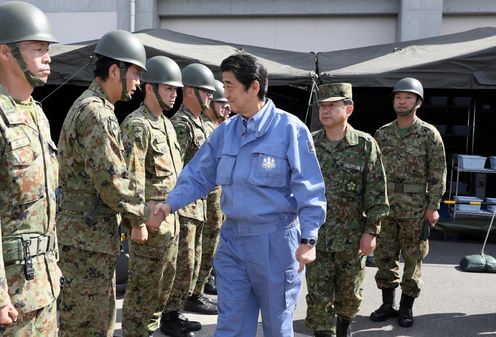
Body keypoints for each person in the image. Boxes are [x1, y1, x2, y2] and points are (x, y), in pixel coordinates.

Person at [153, 53, 326, 337]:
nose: (225, 92)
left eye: (230, 85)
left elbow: (310, 187)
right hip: (233, 243)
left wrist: (309, 238)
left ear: (254, 87)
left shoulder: (290, 130)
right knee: (231, 325)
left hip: (276, 243)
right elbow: (199, 174)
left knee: (276, 326)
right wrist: (169, 204)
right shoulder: (226, 132)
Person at [57, 30, 159, 337]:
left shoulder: (95, 107)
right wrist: (139, 216)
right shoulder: (97, 113)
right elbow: (112, 180)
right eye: (135, 73)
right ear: (115, 71)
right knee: (89, 326)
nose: (138, 83)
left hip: (89, 238)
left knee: (94, 321)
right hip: (85, 241)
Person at [305, 83, 389, 337]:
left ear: (349, 109)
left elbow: (376, 192)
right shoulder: (309, 143)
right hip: (315, 237)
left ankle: (344, 329)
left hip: (351, 238)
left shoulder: (365, 145)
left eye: (332, 105)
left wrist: (371, 232)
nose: (325, 111)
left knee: (349, 295)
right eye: (322, 106)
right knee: (318, 295)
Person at [0, 2, 61, 336]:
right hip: (10, 295)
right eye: (37, 48)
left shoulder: (37, 114)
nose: (47, 57)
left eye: (47, 49)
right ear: (6, 53)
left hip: (43, 282)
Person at [120, 56, 188, 337]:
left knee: (163, 285)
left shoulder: (167, 125)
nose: (174, 95)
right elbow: (132, 180)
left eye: (176, 89)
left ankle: (149, 330)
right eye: (168, 88)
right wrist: (137, 222)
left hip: (169, 222)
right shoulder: (138, 125)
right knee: (143, 288)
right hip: (149, 224)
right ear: (150, 88)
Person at [370, 77, 446, 328]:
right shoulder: (382, 133)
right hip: (387, 205)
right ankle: (386, 304)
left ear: (418, 102)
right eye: (398, 97)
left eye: (408, 97)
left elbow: (438, 172)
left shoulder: (428, 134)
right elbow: (373, 172)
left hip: (415, 207)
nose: (402, 101)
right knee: (384, 256)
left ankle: (406, 307)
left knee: (413, 258)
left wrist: (433, 206)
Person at [159, 62, 217, 336]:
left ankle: (178, 309)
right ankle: (169, 316)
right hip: (183, 207)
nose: (210, 98)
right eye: (205, 92)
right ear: (191, 92)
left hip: (200, 206)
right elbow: (174, 170)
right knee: (181, 264)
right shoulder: (181, 124)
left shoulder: (201, 124)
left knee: (191, 264)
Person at [194, 79, 230, 297]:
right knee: (203, 244)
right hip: (202, 198)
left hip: (216, 197)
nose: (226, 109)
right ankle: (198, 286)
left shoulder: (220, 127)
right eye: (221, 104)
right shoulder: (207, 128)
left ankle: (205, 279)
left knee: (212, 242)